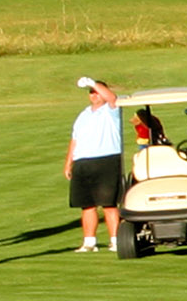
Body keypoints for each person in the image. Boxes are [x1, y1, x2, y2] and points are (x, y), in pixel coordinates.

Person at [65, 76, 122, 252]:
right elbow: (75, 140)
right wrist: (69, 163)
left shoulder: (111, 110)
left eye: (97, 92)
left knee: (109, 203)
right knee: (87, 204)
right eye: (91, 93)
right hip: (83, 162)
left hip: (107, 159)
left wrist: (93, 83)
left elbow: (112, 97)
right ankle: (89, 242)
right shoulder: (83, 115)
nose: (94, 95)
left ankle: (115, 240)